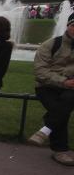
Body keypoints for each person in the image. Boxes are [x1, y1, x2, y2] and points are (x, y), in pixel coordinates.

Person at [30, 13, 74, 166]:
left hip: (71, 89)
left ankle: (46, 129)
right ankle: (60, 151)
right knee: (61, 109)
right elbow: (40, 72)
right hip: (47, 87)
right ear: (68, 26)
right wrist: (64, 81)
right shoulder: (50, 44)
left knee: (66, 101)